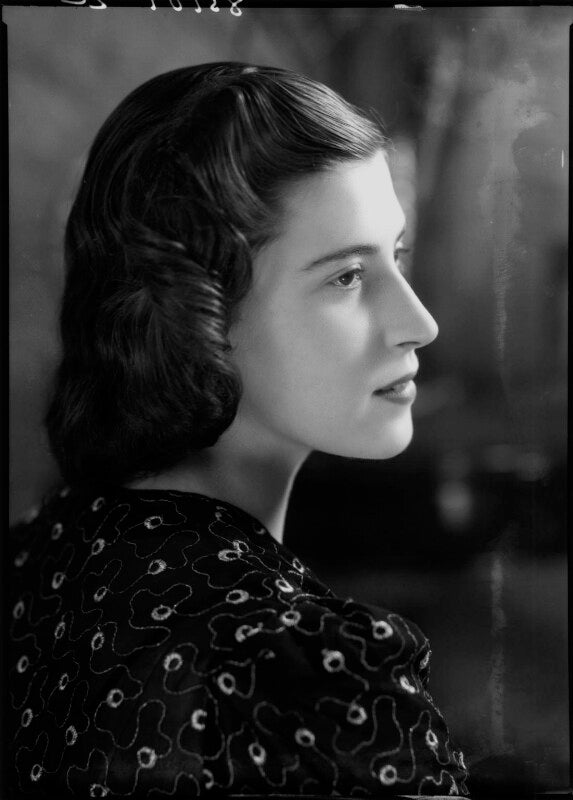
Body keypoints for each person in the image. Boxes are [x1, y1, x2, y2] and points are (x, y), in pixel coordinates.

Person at [7, 62, 470, 797]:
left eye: (397, 254)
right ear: (197, 315)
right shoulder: (310, 676)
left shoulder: (37, 555)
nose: (419, 322)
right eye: (346, 276)